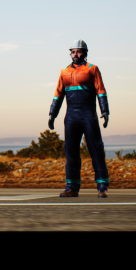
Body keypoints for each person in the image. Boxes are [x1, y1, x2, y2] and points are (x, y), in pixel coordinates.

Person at [48, 39, 110, 198]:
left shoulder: (92, 69)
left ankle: (102, 186)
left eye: (79, 51)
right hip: (70, 117)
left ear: (85, 53)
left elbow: (101, 91)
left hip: (88, 115)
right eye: (73, 52)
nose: (76, 54)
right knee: (71, 152)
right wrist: (52, 114)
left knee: (96, 149)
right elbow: (58, 95)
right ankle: (71, 187)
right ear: (70, 53)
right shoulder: (64, 71)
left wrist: (105, 110)